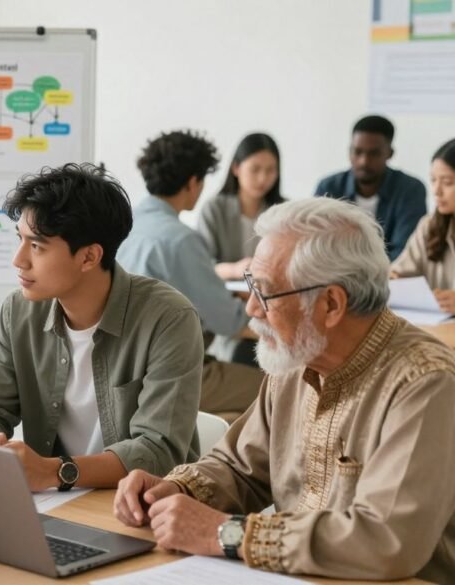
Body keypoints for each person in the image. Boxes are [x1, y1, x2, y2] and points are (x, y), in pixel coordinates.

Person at [113, 198, 455, 583]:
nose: (253, 311)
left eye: (266, 294)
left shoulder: (425, 383)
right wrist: (175, 490)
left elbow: (387, 541)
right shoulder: (298, 357)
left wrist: (226, 534)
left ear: (330, 304)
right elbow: (239, 469)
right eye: (250, 288)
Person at [0, 163, 204, 493]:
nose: (18, 259)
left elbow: (158, 451)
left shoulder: (169, 318)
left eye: (37, 246)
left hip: (141, 503)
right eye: (20, 240)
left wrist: (53, 471)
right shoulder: (18, 310)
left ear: (88, 257)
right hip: (51, 500)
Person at [117, 130, 263, 416]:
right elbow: (228, 321)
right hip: (168, 375)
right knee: (279, 389)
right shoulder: (180, 240)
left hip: (123, 373)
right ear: (193, 182)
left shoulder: (125, 226)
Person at [315, 114, 427, 261]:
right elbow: (318, 245)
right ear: (349, 151)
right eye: (357, 152)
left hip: (390, 277)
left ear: (390, 153)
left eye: (374, 153)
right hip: (339, 276)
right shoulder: (329, 187)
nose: (364, 161)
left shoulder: (411, 189)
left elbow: (406, 251)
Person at [198, 132, 286, 281]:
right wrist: (234, 270)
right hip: (223, 296)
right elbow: (201, 266)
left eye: (270, 170)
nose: (262, 178)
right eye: (255, 169)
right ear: (236, 168)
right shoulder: (214, 209)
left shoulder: (284, 211)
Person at [391, 139, 455, 313]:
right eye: (433, 180)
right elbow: (399, 273)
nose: (436, 190)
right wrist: (393, 280)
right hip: (436, 331)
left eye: (448, 182)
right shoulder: (429, 226)